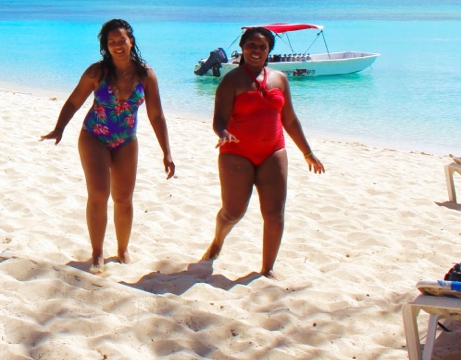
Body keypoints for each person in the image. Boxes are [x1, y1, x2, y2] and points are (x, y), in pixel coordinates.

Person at [41, 18, 174, 273]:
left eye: (121, 40)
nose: (117, 46)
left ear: (131, 41)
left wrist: (166, 151)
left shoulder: (145, 75)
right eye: (111, 42)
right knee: (99, 195)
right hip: (94, 137)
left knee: (123, 199)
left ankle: (123, 250)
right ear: (106, 46)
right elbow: (74, 101)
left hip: (126, 140)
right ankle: (98, 252)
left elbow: (156, 115)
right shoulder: (97, 72)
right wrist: (59, 128)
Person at [202, 26, 324, 278]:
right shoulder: (231, 80)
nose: (256, 51)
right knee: (233, 212)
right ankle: (217, 240)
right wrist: (223, 133)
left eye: (262, 47)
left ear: (269, 50)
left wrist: (308, 152)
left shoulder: (280, 78)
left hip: (273, 150)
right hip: (237, 152)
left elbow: (289, 120)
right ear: (243, 48)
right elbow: (219, 120)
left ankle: (267, 269)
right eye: (251, 46)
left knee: (274, 212)